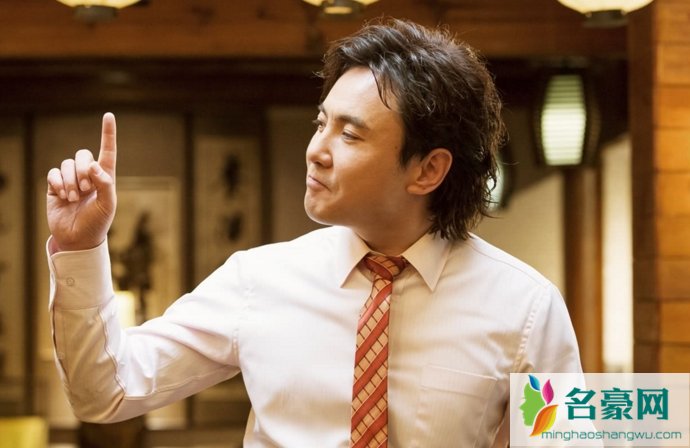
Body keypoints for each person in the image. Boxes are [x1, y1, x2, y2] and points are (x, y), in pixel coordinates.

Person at [46, 18, 582, 447]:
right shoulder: (259, 280)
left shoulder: (526, 308)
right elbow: (105, 392)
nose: (316, 151)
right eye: (321, 123)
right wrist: (79, 248)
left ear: (428, 170)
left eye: (350, 134)